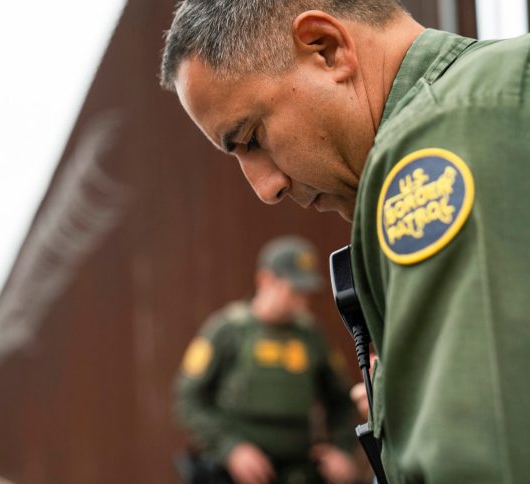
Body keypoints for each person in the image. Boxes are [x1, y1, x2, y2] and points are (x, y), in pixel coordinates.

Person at [160, 0, 530, 482]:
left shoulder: (441, 139)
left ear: (326, 48)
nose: (266, 189)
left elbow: (481, 457)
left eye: (251, 138)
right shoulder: (493, 94)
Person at [175, 236, 357, 484]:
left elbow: (341, 401)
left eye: (306, 292)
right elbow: (189, 399)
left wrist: (342, 450)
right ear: (265, 280)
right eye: (293, 290)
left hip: (297, 473)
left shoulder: (311, 335)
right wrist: (231, 449)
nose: (301, 301)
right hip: (235, 475)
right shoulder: (227, 331)